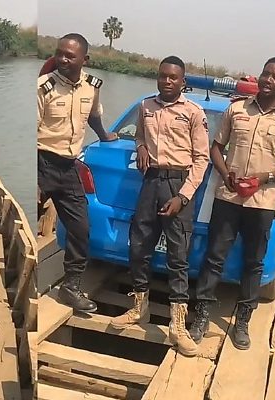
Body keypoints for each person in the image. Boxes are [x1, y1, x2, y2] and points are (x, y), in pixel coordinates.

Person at [189, 57, 275, 350]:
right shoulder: (236, 109)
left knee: (253, 263)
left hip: (263, 202)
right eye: (265, 74)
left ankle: (242, 321)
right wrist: (225, 173)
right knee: (214, 257)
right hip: (228, 197)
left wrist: (265, 177)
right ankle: (201, 316)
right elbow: (216, 147)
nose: (268, 80)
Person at [109, 56, 210, 357]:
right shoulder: (145, 107)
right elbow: (140, 133)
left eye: (173, 77)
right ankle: (139, 308)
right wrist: (140, 146)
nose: (167, 81)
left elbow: (202, 159)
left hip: (178, 185)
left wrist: (183, 197)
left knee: (178, 257)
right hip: (151, 183)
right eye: (163, 76)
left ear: (183, 82)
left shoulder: (194, 112)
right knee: (139, 246)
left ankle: (177, 325)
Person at [37, 33, 117, 313]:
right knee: (25, 220)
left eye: (70, 56)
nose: (62, 60)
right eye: (60, 53)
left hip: (69, 166)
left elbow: (93, 116)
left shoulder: (92, 87)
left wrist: (105, 136)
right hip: (41, 161)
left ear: (85, 60)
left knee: (81, 228)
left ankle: (70, 287)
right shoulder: (43, 88)